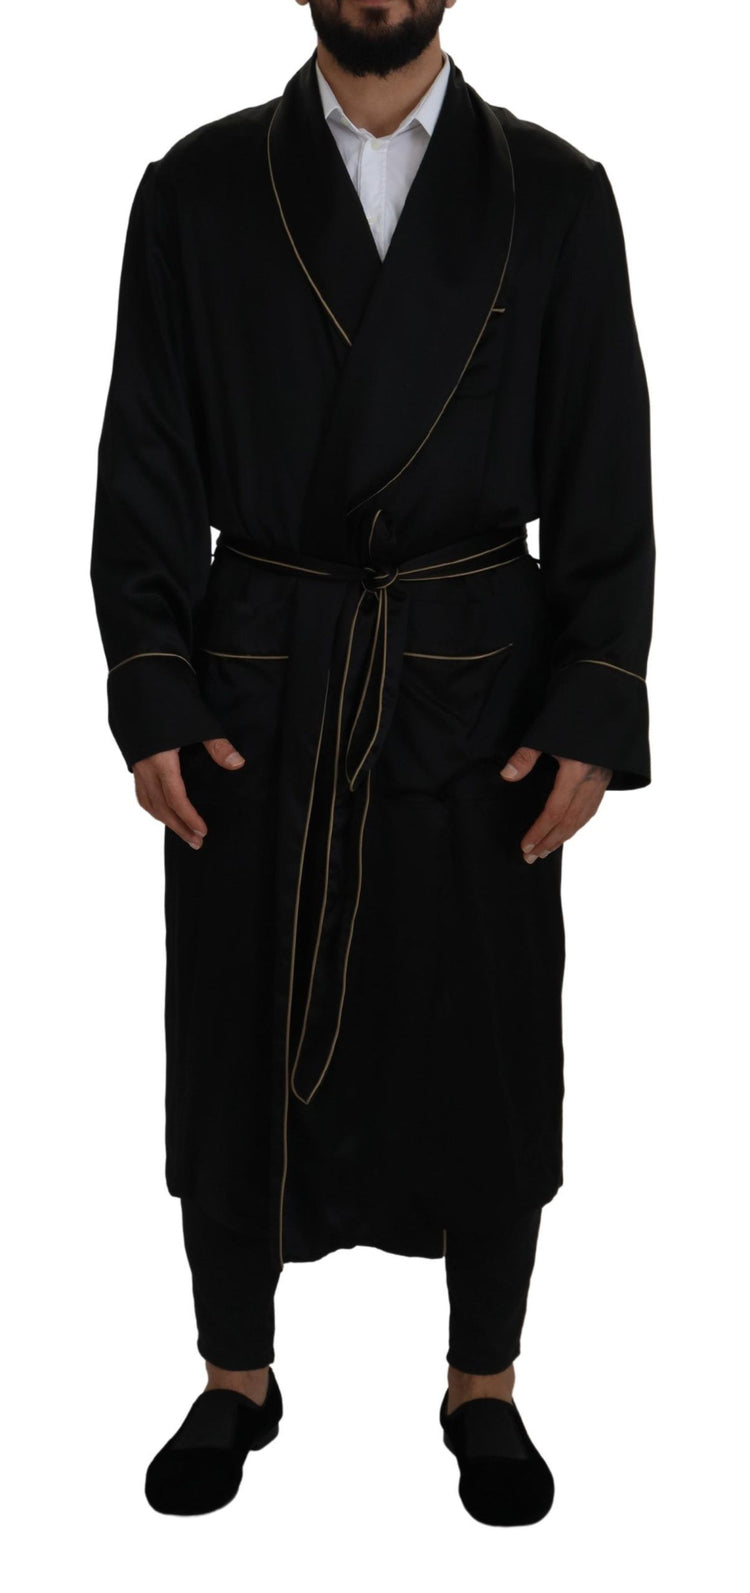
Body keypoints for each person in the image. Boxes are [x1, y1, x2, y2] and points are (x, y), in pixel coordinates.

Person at [89, 0, 655, 1527]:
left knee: (485, 1030)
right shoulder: (196, 191)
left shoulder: (557, 193)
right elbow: (145, 460)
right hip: (259, 684)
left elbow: (603, 466)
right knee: (231, 1021)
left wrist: (592, 703)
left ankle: (484, 1381)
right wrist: (152, 688)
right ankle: (234, 1373)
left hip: (473, 690)